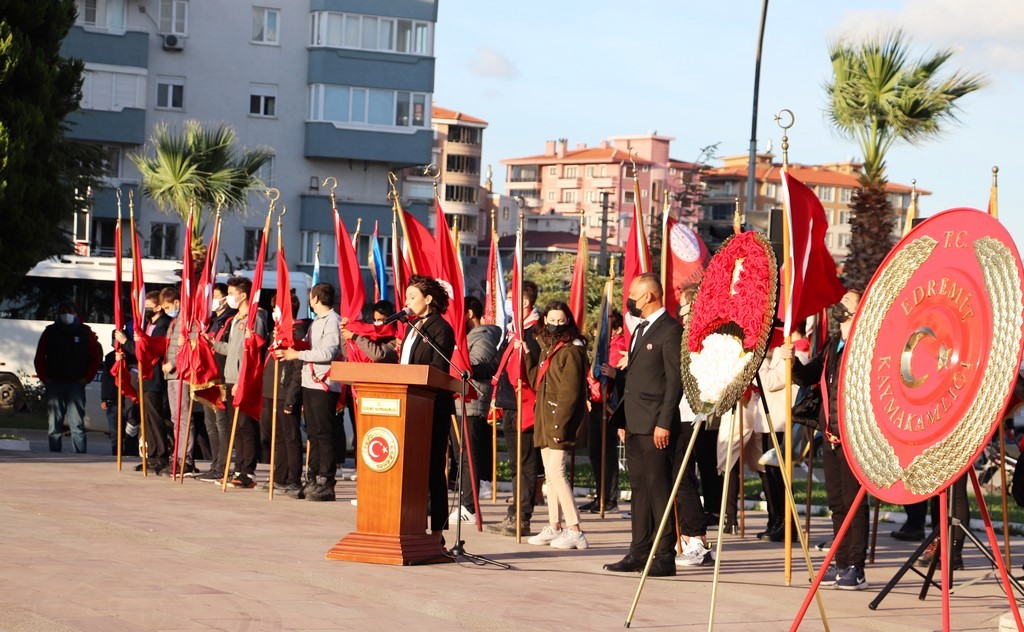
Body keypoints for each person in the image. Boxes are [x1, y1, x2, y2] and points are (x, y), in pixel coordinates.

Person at [781, 288, 868, 590]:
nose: (840, 306)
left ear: (859, 311)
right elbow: (807, 377)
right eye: (841, 300)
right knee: (837, 504)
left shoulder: (863, 346)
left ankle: (856, 567)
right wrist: (791, 362)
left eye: (847, 302)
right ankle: (841, 561)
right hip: (829, 435)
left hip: (853, 437)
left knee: (853, 503)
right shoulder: (833, 344)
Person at [604, 273, 684, 577]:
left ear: (649, 296)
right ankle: (639, 551)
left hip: (656, 426)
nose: (631, 302)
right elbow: (633, 380)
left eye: (634, 296)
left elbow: (674, 381)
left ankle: (664, 556)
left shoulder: (670, 330)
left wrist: (664, 422)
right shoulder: (640, 329)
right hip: (635, 422)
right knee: (638, 489)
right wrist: (623, 419)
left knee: (658, 489)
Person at [523, 302, 589, 550]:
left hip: (559, 419)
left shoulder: (571, 350)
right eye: (552, 320)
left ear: (568, 321)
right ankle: (554, 525)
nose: (556, 325)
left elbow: (570, 393)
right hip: (545, 417)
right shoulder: (546, 347)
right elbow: (535, 381)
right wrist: (528, 355)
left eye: (561, 321)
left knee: (557, 473)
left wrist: (561, 425)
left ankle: (575, 529)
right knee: (550, 476)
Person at [396, 275, 456, 544]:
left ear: (428, 300)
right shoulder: (411, 328)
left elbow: (437, 371)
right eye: (406, 297)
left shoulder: (440, 329)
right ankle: (411, 524)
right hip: (407, 404)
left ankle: (437, 533)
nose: (406, 302)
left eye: (412, 297)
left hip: (431, 407)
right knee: (410, 469)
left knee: (433, 469)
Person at [276, 282, 342, 501]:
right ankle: (312, 476)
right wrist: (290, 343)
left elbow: (328, 351)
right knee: (313, 434)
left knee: (324, 433)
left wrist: (298, 355)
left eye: (310, 296)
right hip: (309, 382)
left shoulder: (332, 320)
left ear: (316, 298)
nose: (309, 300)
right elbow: (308, 346)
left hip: (323, 383)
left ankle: (326, 480)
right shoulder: (316, 322)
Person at [487, 281, 542, 537]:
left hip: (526, 405)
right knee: (515, 464)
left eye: (512, 298)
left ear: (525, 302)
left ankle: (522, 518)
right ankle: (514, 514)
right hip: (510, 405)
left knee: (525, 463)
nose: (508, 302)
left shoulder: (534, 333)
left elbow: (534, 372)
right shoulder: (512, 331)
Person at [449, 296, 502, 523]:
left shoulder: (484, 335)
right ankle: (463, 501)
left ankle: (469, 507)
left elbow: (478, 363)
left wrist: (455, 362)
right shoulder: (465, 337)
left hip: (472, 402)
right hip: (459, 402)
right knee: (459, 456)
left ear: (469, 314)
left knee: (468, 457)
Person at [213, 276, 269, 489]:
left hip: (244, 379)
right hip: (231, 377)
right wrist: (214, 344)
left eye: (232, 293)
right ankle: (237, 467)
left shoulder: (256, 316)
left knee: (246, 425)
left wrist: (242, 379)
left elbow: (254, 350)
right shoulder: (236, 318)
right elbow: (232, 349)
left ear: (243, 295)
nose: (229, 297)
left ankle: (248, 471)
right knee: (234, 426)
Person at [756, 325, 810, 542]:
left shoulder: (798, 352)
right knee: (769, 476)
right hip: (770, 422)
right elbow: (760, 381)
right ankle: (775, 519)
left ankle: (786, 524)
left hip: (780, 422)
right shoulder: (780, 350)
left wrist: (760, 361)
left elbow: (768, 381)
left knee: (780, 478)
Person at [671, 286, 713, 567]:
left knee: (684, 478)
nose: (681, 309)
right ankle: (685, 537)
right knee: (676, 478)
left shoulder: (703, 337)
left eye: (686, 305)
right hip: (675, 412)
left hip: (691, 414)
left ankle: (697, 538)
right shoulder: (682, 334)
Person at [34, 299, 100, 453]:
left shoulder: (85, 332)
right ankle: (54, 455)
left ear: (76, 313)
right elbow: (39, 357)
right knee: (54, 426)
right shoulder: (50, 331)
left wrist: (86, 378)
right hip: (55, 384)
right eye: (63, 312)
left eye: (69, 311)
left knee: (76, 424)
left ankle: (80, 456)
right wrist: (46, 379)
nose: (66, 315)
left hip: (76, 384)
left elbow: (95, 358)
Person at [261, 292, 306, 496]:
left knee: (290, 436)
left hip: (285, 390)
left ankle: (293, 479)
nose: (273, 313)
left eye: (276, 309)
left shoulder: (296, 333)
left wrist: (291, 396)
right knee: (277, 436)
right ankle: (279, 477)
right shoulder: (278, 331)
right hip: (271, 389)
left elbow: (297, 368)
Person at [582, 310, 625, 514]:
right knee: (595, 453)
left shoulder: (618, 346)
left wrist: (610, 374)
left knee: (606, 454)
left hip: (609, 406)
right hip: (596, 405)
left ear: (615, 329)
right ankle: (600, 495)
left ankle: (609, 498)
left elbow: (615, 374)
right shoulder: (601, 349)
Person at [196, 283, 236, 481]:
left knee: (222, 424)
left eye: (219, 296)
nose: (214, 301)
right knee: (209, 424)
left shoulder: (230, 320)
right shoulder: (211, 320)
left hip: (221, 377)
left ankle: (223, 465)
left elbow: (231, 348)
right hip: (207, 378)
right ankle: (215, 464)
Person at [160, 287, 199, 476]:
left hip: (182, 374)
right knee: (176, 419)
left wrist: (174, 364)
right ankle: (177, 456)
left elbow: (192, 344)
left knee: (183, 418)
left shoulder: (187, 319)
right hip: (172, 376)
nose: (166, 311)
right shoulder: (175, 320)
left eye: (168, 307)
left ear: (176, 302)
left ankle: (185, 459)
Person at [100, 329, 137, 457]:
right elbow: (106, 379)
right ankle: (116, 454)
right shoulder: (110, 357)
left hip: (128, 398)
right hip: (113, 399)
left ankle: (131, 453)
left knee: (130, 430)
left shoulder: (132, 356)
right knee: (115, 432)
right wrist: (104, 398)